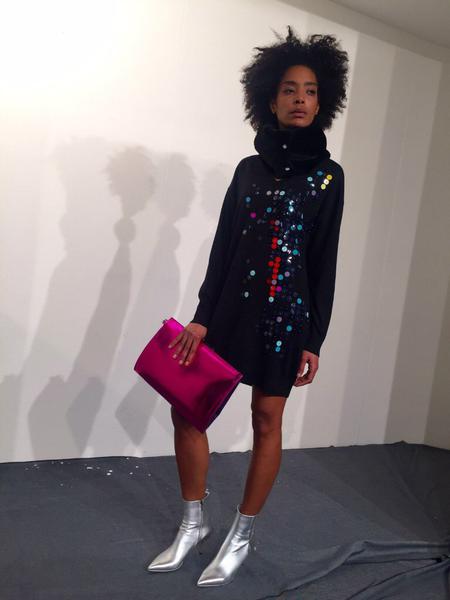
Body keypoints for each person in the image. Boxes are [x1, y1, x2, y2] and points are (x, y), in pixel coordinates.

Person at [146, 25, 349, 586]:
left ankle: (240, 533)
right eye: (289, 89)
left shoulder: (330, 178)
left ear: (323, 102)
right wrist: (201, 317)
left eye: (310, 90)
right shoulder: (247, 169)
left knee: (266, 419)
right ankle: (194, 523)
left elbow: (323, 261)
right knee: (187, 408)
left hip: (286, 320)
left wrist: (314, 338)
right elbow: (224, 248)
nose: (300, 98)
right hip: (230, 311)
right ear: (270, 98)